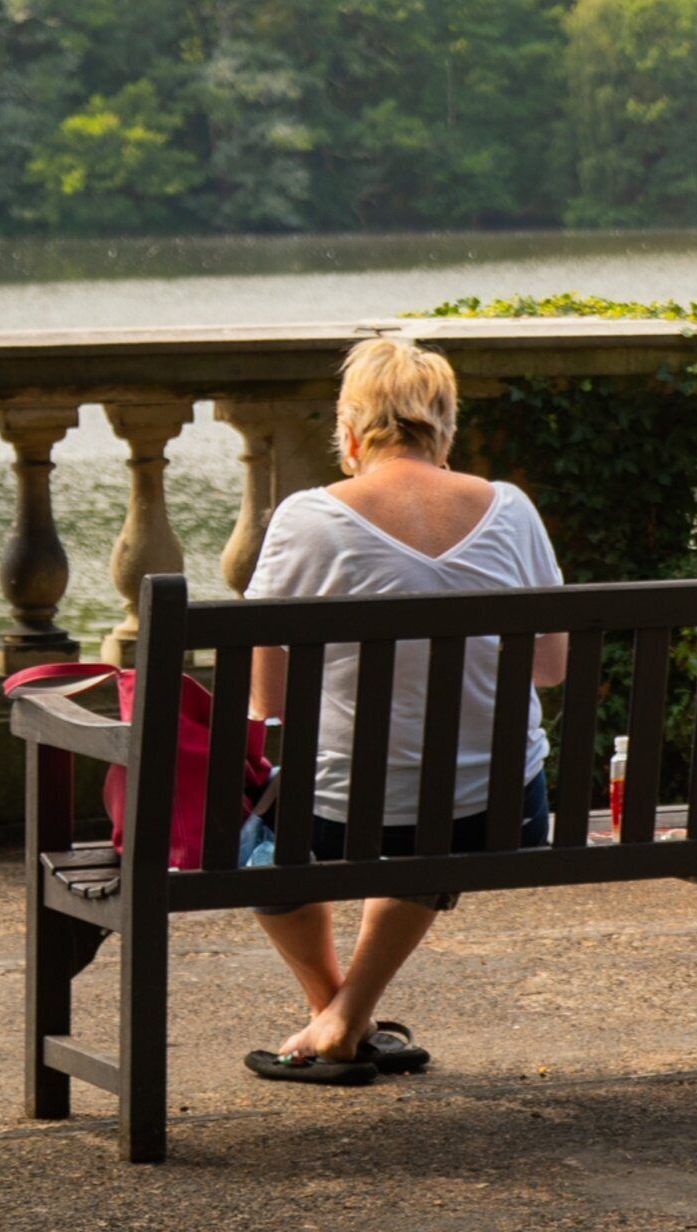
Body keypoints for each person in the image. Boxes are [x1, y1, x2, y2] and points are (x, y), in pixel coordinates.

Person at [236, 332, 568, 1085]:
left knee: (247, 833)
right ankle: (345, 1019)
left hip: (342, 818)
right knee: (433, 807)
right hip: (502, 812)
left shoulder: (307, 519)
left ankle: (339, 1017)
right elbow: (548, 668)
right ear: (444, 430)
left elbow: (269, 701)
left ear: (350, 434)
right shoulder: (511, 511)